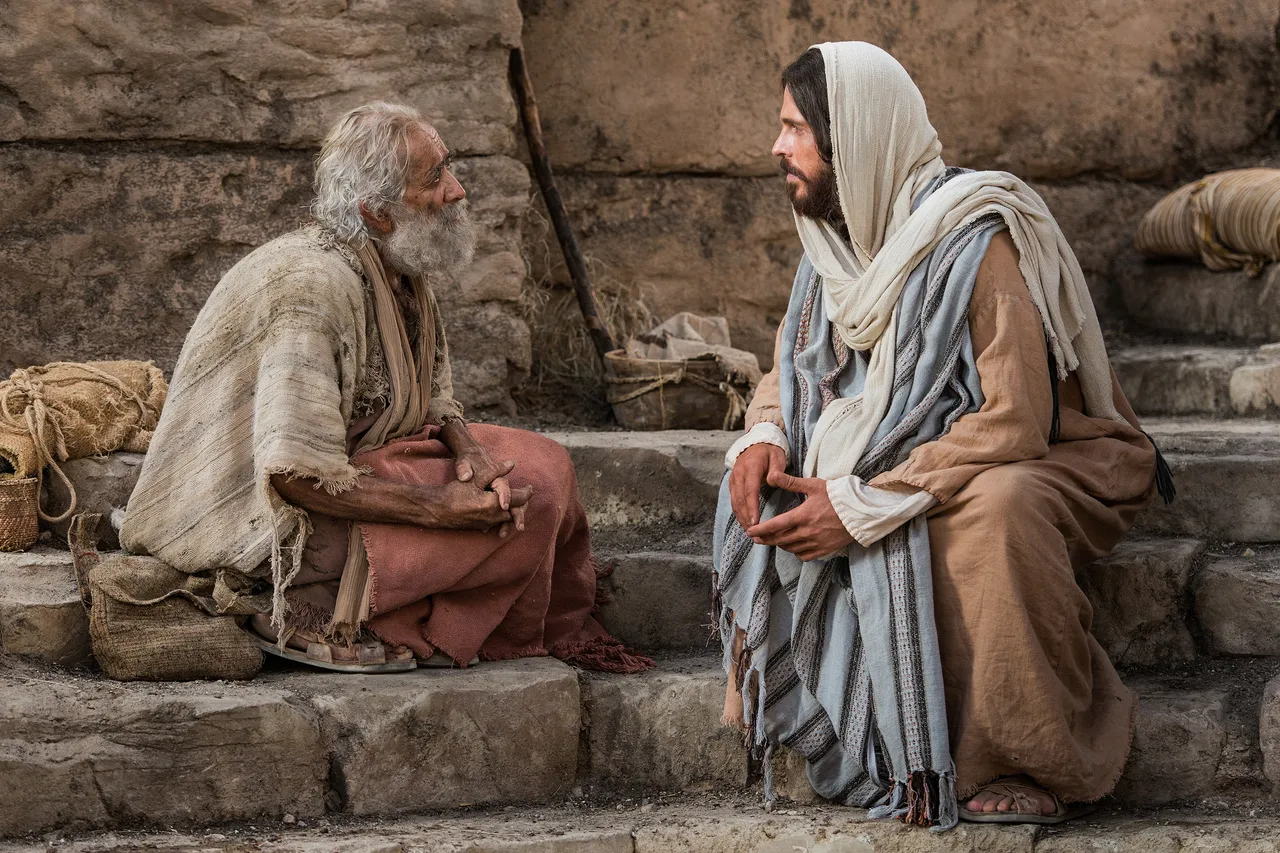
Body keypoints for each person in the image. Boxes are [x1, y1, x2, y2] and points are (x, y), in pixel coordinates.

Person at [715, 44, 1166, 828]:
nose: (776, 147)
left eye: (794, 128)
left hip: (1049, 453)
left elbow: (1016, 418)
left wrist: (864, 501)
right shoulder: (834, 237)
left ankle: (1025, 756)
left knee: (992, 512)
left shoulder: (975, 241)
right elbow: (793, 363)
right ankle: (863, 736)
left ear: (850, 136)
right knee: (759, 490)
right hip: (916, 455)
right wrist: (762, 435)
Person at [122, 102, 650, 676]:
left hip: (362, 465)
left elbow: (433, 404)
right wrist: (438, 508)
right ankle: (304, 609)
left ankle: (398, 603)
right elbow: (294, 475)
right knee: (523, 501)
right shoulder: (312, 285)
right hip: (269, 514)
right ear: (375, 211)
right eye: (434, 178)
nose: (457, 191)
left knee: (542, 468)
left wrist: (469, 454)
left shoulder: (397, 265)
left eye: (448, 168)